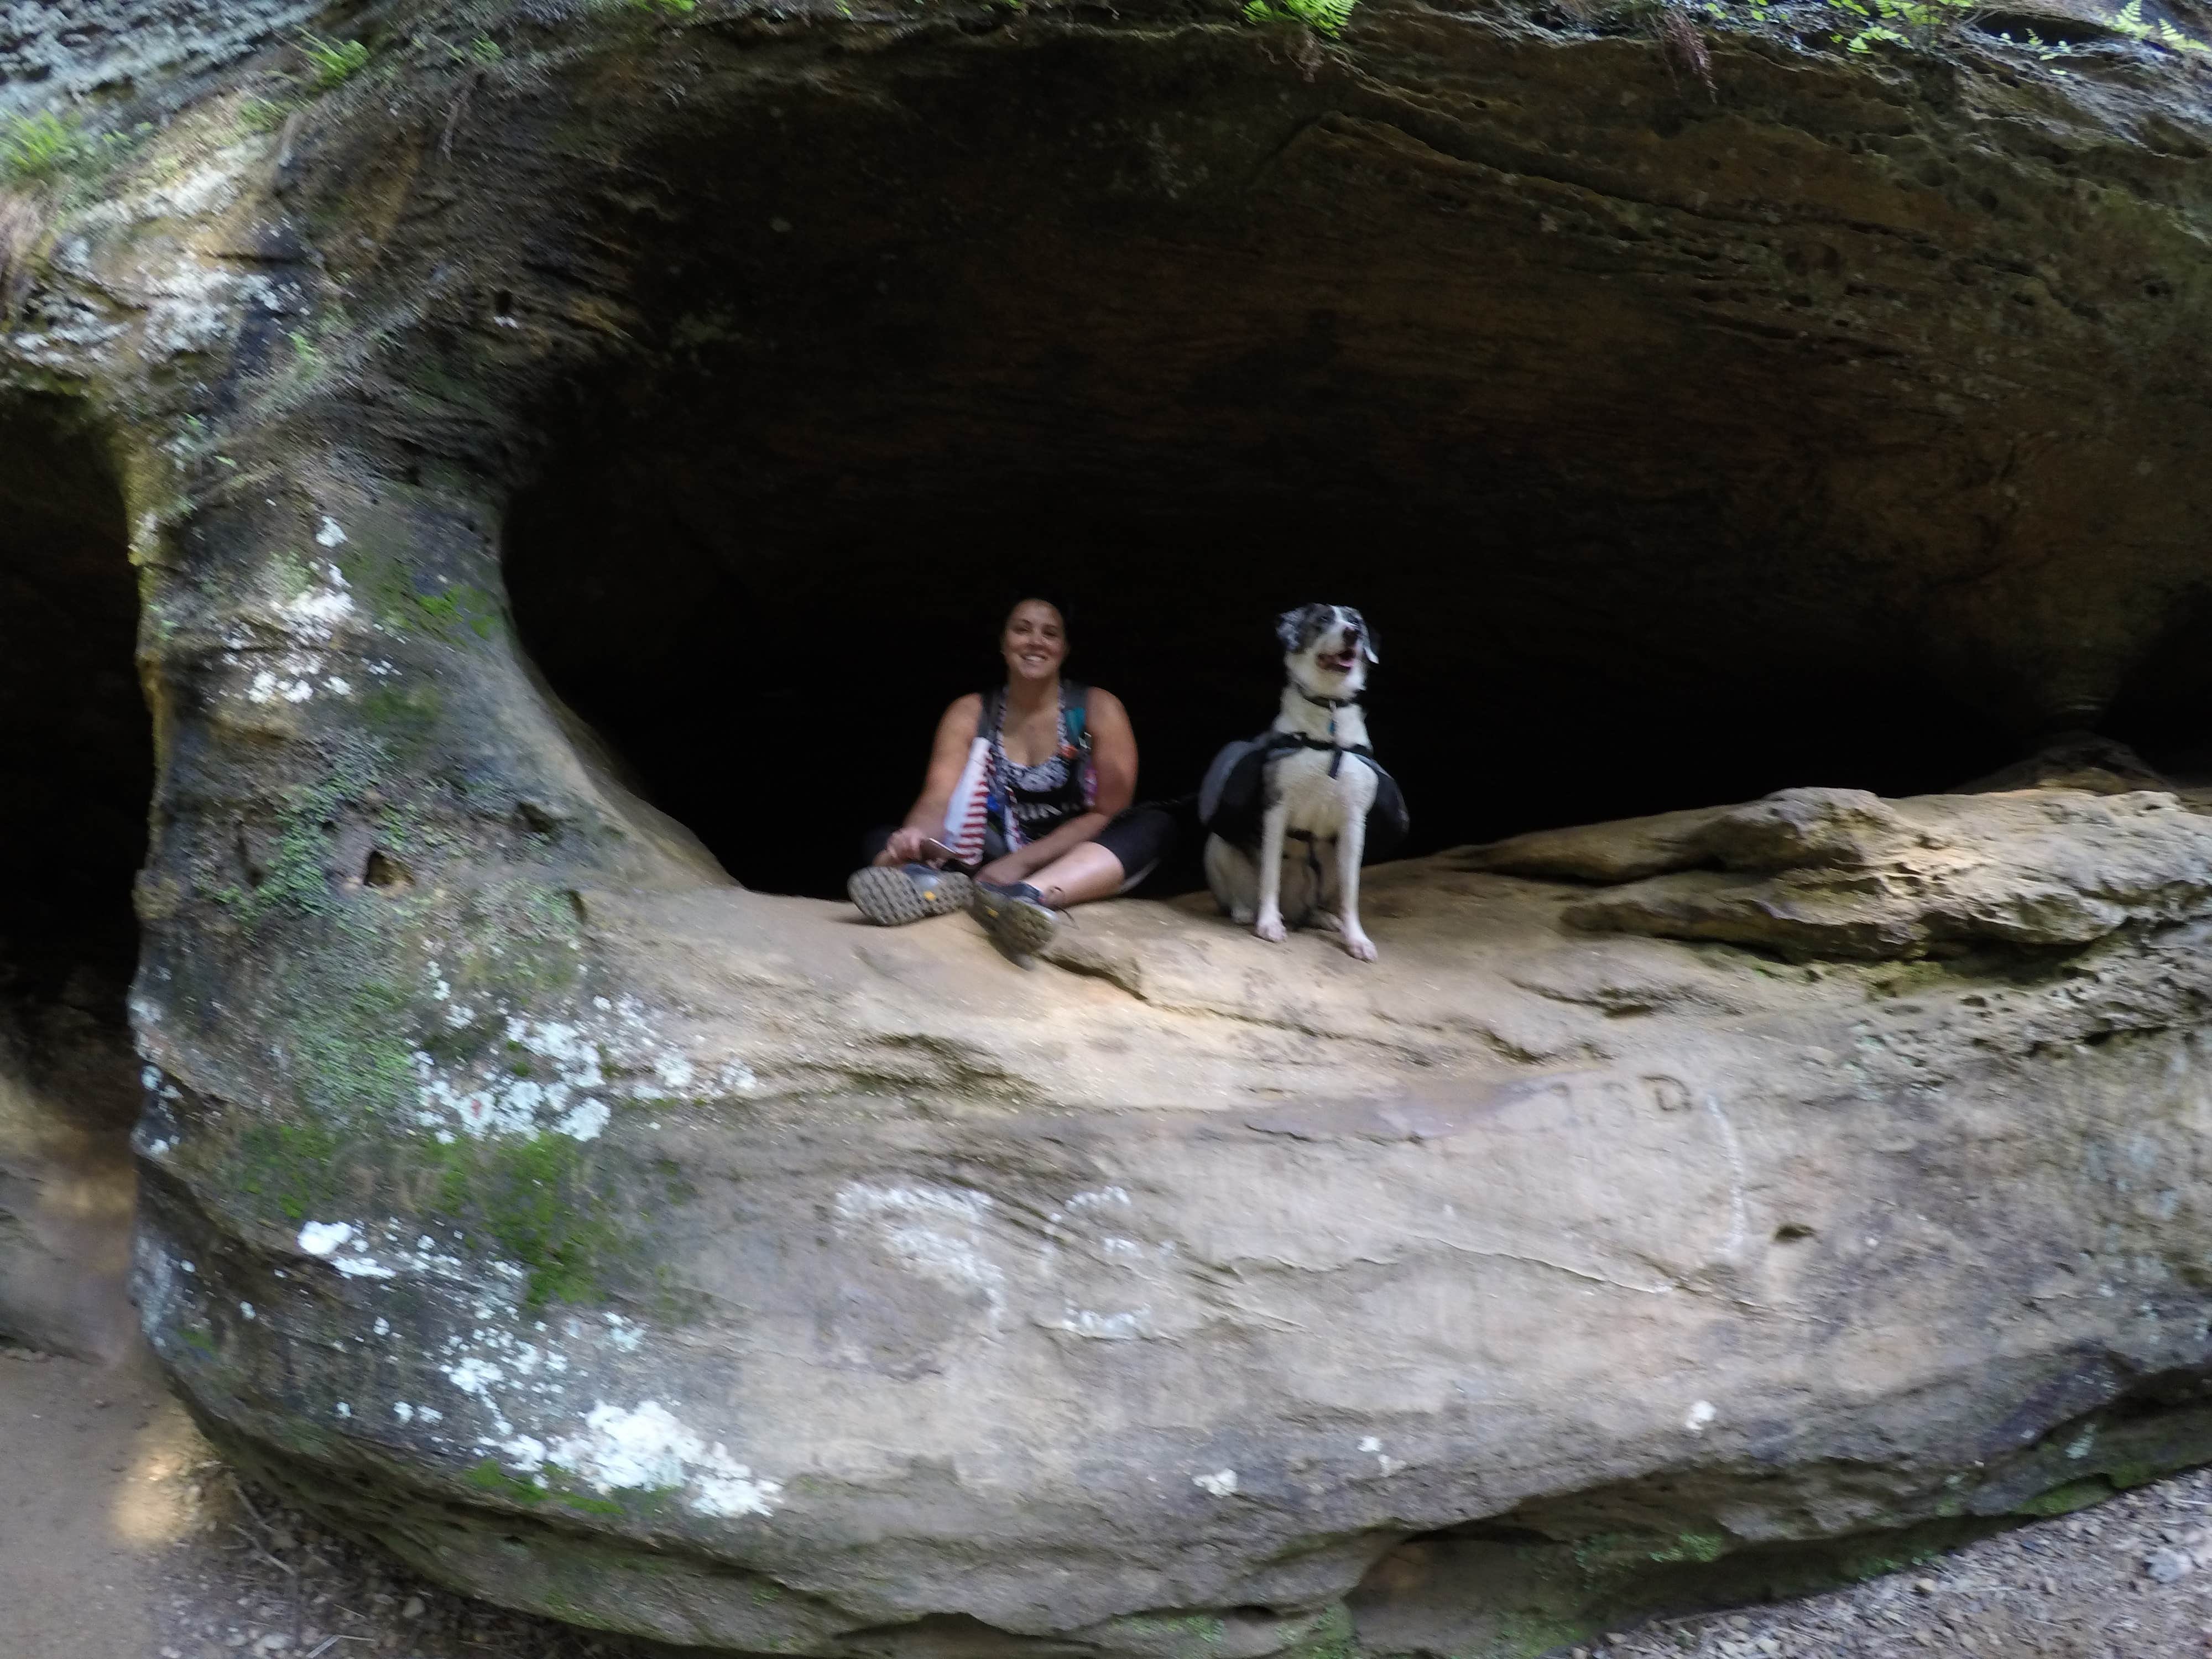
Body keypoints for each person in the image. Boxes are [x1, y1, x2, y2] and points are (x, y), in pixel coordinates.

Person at [848, 598, 1177, 959]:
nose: (1036, 642)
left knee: (1154, 825)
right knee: (882, 838)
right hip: (986, 856)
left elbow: (1107, 812)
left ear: (1065, 649)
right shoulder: (970, 712)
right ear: (1003, 643)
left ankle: (1025, 896)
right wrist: (915, 836)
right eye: (1022, 630)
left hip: (1069, 856)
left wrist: (1020, 865)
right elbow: (940, 796)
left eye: (1050, 634)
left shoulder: (1098, 709)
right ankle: (928, 882)